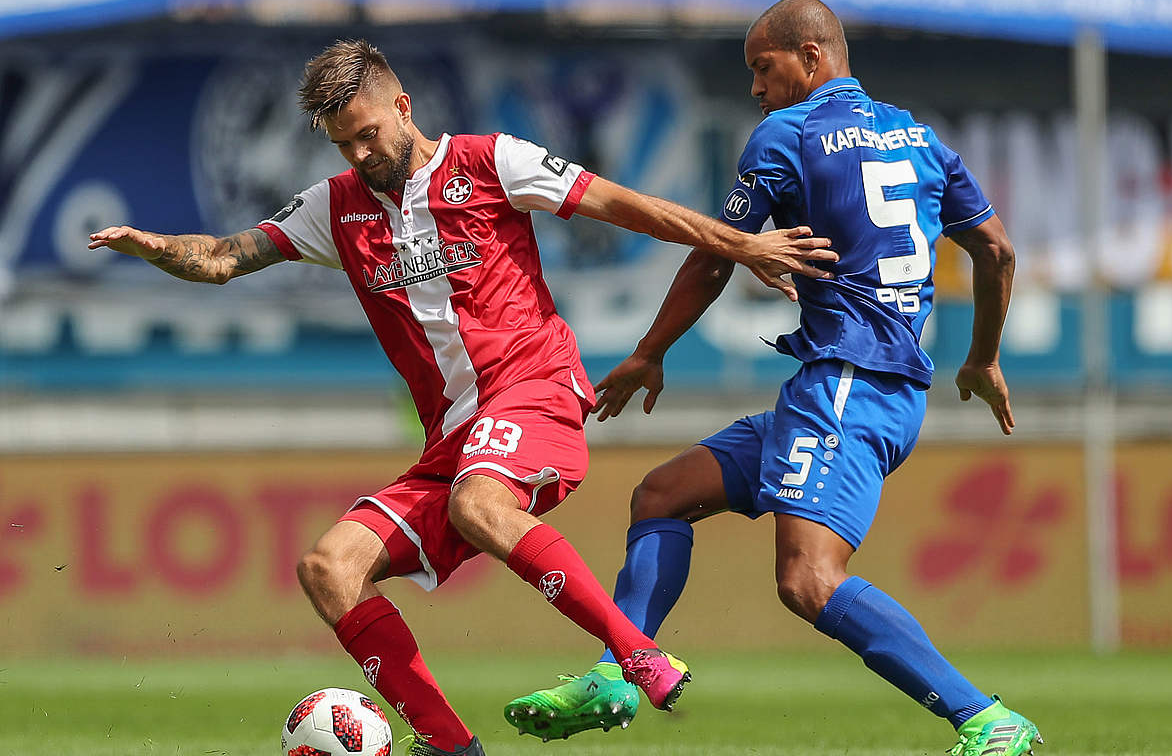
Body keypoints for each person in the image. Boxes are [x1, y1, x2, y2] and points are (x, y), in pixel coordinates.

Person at [88, 39, 838, 756]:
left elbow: (627, 205)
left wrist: (741, 245)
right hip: (452, 441)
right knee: (329, 567)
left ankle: (635, 654)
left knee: (477, 505)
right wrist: (157, 249)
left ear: (403, 106)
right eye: (341, 144)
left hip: (535, 394)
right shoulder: (336, 206)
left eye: (367, 135)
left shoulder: (490, 162)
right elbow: (223, 257)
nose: (357, 156)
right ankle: (451, 746)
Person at [502, 0, 1043, 755]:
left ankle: (984, 717)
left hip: (848, 385)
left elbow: (719, 249)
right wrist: (982, 357)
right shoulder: (917, 137)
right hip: (861, 387)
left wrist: (651, 349)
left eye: (764, 67)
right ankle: (621, 669)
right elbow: (997, 251)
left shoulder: (788, 133)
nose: (756, 86)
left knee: (808, 582)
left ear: (812, 59)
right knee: (662, 494)